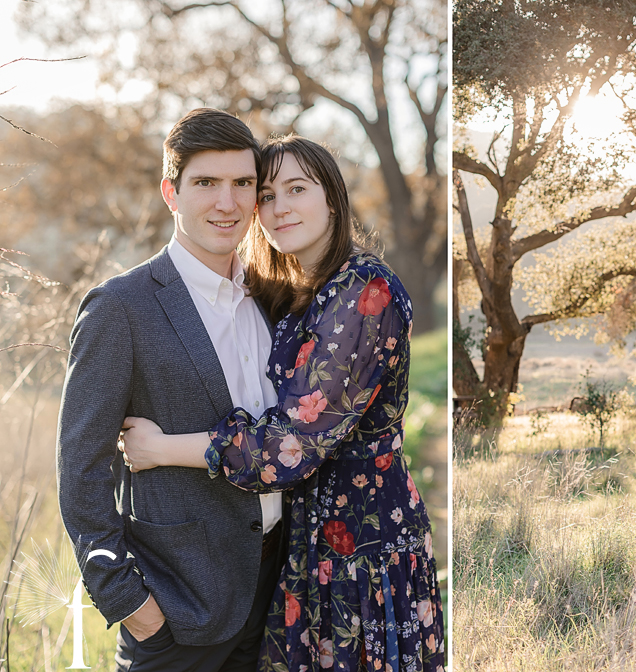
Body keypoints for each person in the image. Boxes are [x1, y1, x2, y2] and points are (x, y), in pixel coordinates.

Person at [120, 135, 445, 672]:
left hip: (360, 548)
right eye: (266, 195)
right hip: (301, 548)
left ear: (333, 200)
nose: (279, 207)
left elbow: (290, 444)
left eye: (297, 189)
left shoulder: (367, 291)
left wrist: (159, 449)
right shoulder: (295, 291)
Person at [57, 108, 284, 671]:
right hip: (178, 613)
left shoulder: (272, 297)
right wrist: (131, 604)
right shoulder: (120, 308)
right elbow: (80, 472)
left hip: (277, 596)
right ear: (171, 193)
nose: (226, 203)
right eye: (206, 183)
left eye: (242, 184)